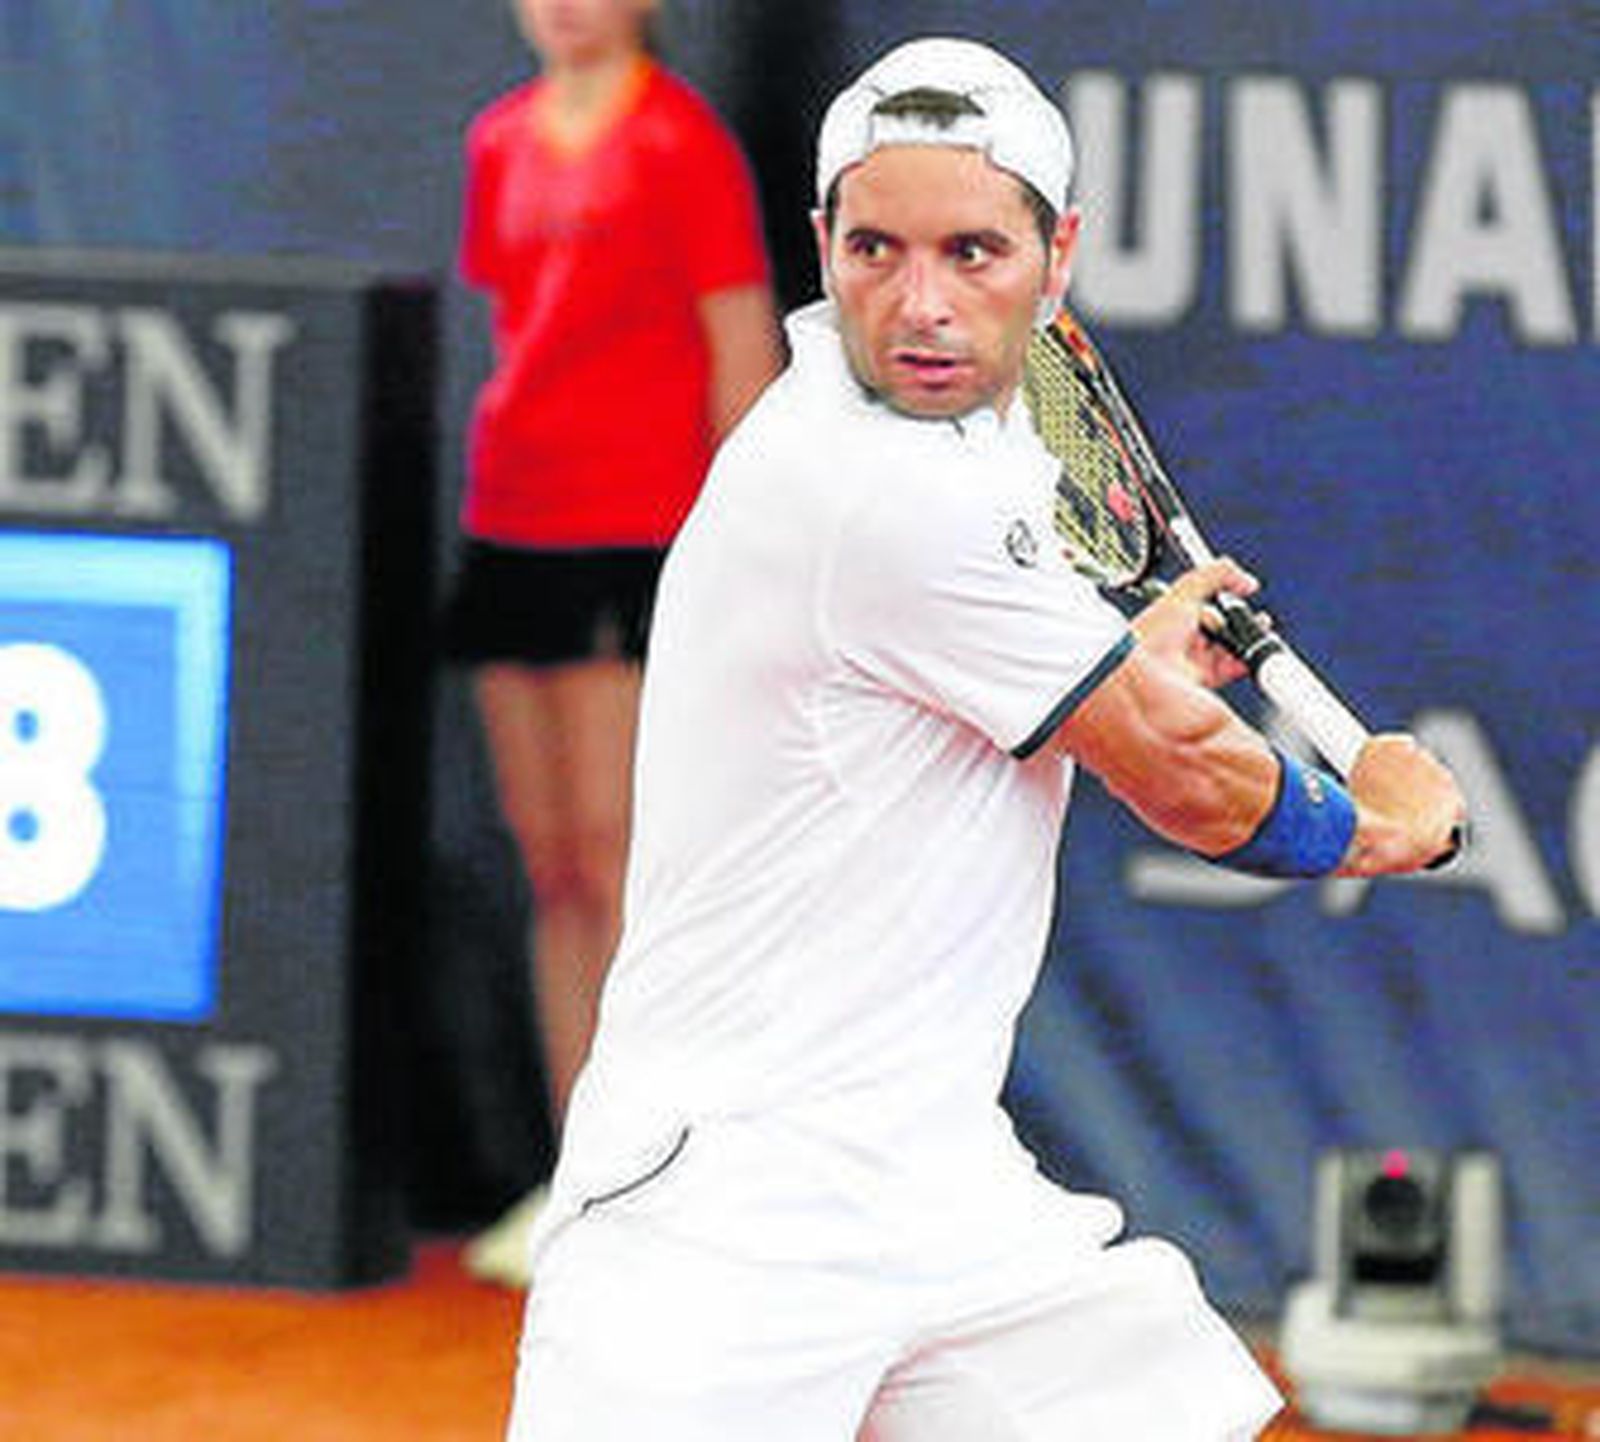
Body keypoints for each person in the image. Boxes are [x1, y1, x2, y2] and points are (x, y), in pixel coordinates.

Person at [502, 36, 1467, 1442]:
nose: (922, 304)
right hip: (725, 1208)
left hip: (935, 1180)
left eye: (973, 252)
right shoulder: (864, 477)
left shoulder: (980, 445)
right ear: (821, 244)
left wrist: (1122, 664)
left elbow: (966, 684)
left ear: (1056, 254)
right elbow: (1198, 784)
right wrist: (1378, 815)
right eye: (876, 250)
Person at [442, 0, 782, 1285]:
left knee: (619, 855)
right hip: (511, 525)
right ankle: (576, 1173)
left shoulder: (682, 145)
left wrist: (744, 550)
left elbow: (739, 351)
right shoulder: (497, 141)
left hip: (637, 535)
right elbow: (517, 331)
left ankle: (652, 1176)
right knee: (553, 867)